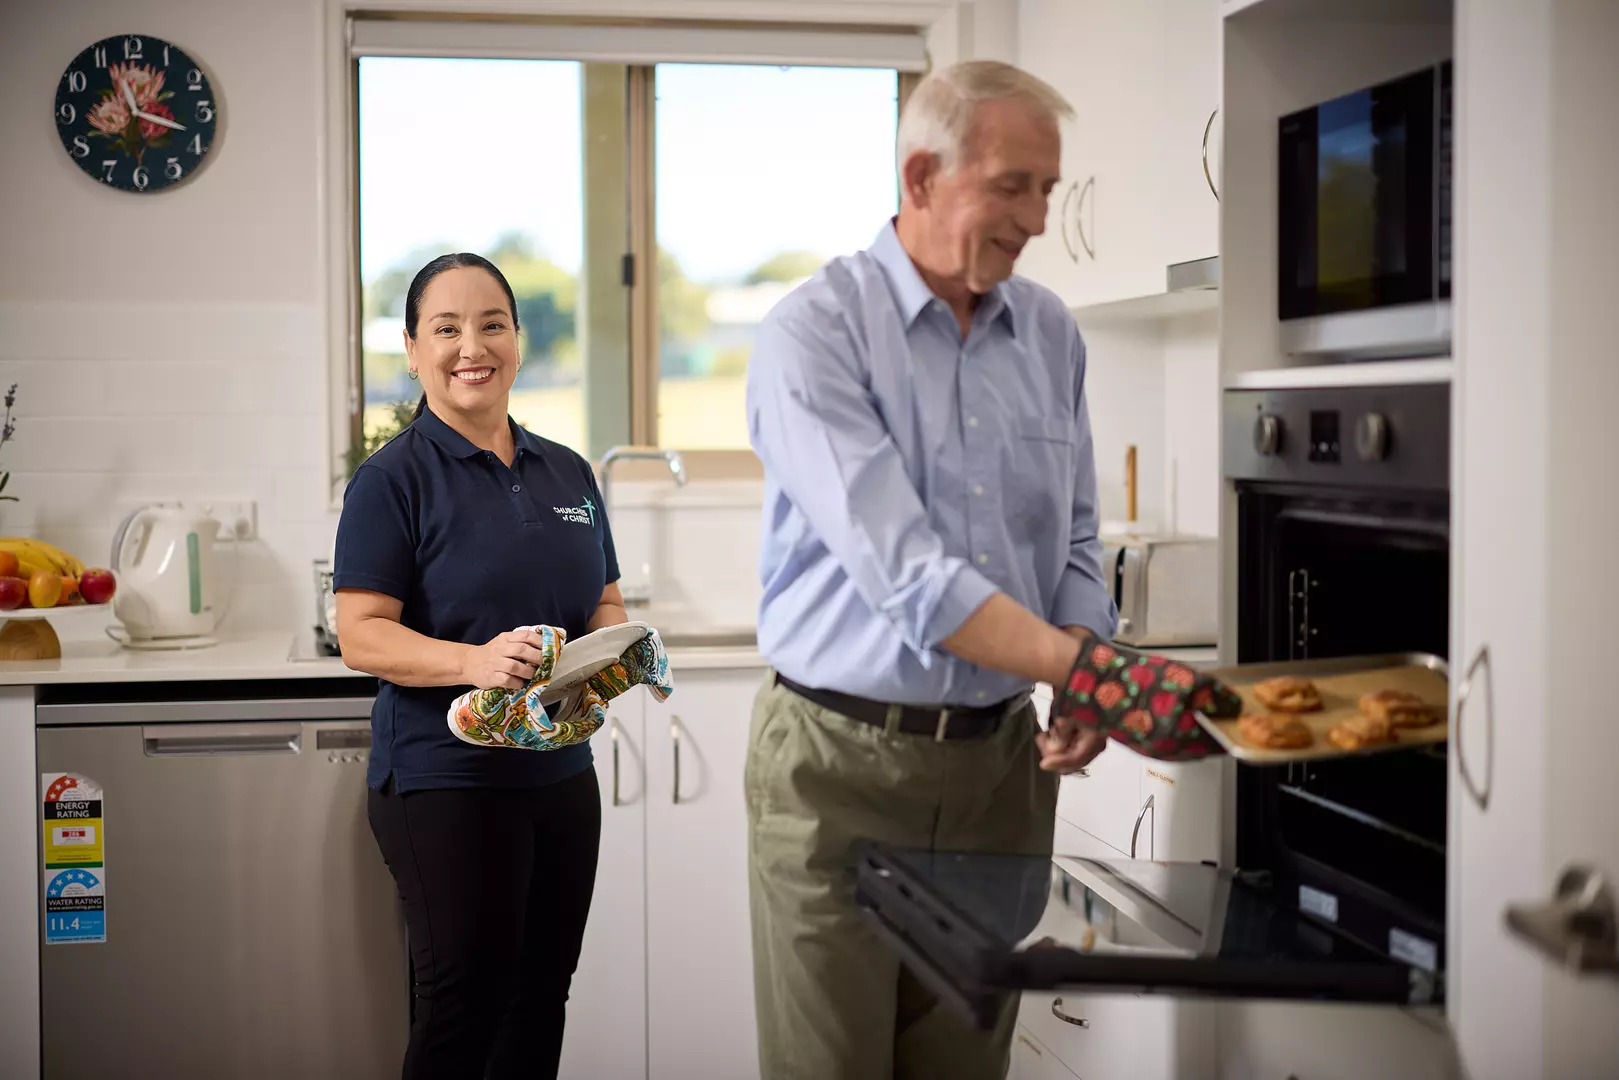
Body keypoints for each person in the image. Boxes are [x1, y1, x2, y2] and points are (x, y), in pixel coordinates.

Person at [743, 60, 1117, 1080]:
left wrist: (1079, 655)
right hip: (835, 777)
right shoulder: (811, 336)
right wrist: (1081, 670)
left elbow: (1076, 541)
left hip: (998, 779)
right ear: (920, 177)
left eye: (1047, 188)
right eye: (1013, 185)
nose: (1037, 216)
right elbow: (906, 576)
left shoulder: (1048, 333)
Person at [333, 252, 627, 1079]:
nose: (473, 346)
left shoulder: (566, 471)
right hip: (444, 786)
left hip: (562, 778)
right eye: (448, 327)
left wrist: (614, 652)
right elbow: (361, 635)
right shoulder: (392, 480)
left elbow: (603, 601)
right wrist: (475, 662)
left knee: (541, 997)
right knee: (463, 1010)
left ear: (518, 339)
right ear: (413, 347)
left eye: (492, 323)